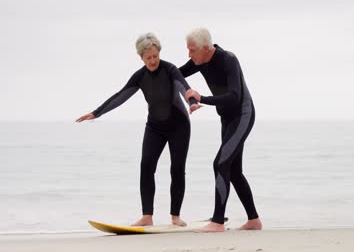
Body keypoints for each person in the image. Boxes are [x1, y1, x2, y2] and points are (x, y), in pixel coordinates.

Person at [76, 33, 201, 227]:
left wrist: (191, 102)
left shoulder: (170, 70)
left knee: (177, 170)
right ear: (141, 57)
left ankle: (175, 216)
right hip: (155, 127)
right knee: (146, 167)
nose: (152, 61)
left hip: (179, 126)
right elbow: (121, 96)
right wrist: (96, 113)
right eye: (148, 57)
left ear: (159, 53)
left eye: (155, 56)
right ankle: (147, 216)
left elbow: (183, 86)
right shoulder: (140, 76)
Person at [180, 27, 262, 232]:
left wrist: (202, 98)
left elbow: (234, 95)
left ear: (206, 48)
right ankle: (254, 220)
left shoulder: (228, 60)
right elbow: (177, 74)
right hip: (226, 118)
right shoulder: (200, 60)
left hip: (242, 115)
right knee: (233, 170)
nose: (189, 54)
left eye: (192, 50)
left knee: (220, 163)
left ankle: (217, 222)